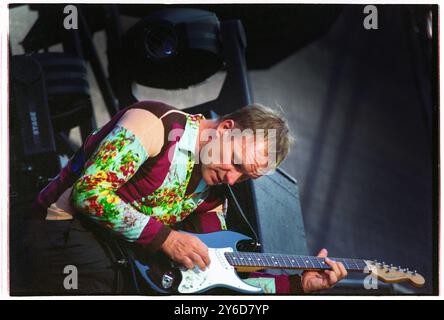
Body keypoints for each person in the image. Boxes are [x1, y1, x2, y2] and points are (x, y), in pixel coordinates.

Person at [22, 100, 347, 295]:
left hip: (115, 254)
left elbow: (219, 272)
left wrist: (296, 286)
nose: (233, 178)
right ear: (225, 129)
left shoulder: (213, 194)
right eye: (235, 162)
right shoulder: (154, 123)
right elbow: (90, 192)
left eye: (246, 176)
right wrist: (166, 238)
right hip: (59, 230)